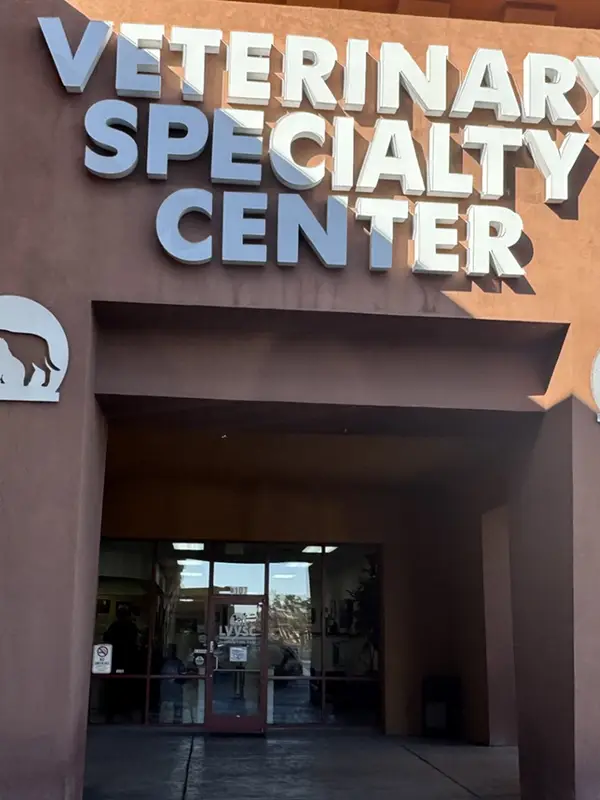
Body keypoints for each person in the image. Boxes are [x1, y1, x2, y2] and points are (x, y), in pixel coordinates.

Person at [102, 606, 139, 722]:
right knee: (126, 687)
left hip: (116, 660)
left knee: (113, 688)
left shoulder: (114, 626)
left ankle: (111, 714)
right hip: (126, 661)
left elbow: (106, 638)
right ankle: (124, 712)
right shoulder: (131, 627)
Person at [160, 644, 186, 723]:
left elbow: (183, 676)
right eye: (169, 650)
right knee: (165, 708)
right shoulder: (163, 662)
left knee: (172, 709)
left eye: (172, 650)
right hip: (166, 691)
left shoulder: (178, 663)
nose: (170, 652)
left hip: (174, 691)